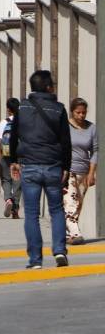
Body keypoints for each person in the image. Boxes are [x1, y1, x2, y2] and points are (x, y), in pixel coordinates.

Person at [10, 70, 72, 269]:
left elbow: (13, 136)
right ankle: (60, 251)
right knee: (56, 210)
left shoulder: (22, 108)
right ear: (48, 87)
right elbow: (66, 141)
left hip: (29, 167)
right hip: (53, 166)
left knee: (31, 214)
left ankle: (35, 260)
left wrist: (13, 160)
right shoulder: (59, 109)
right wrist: (66, 167)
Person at [65, 97, 98, 245]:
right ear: (72, 112)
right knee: (70, 203)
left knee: (78, 205)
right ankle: (76, 233)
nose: (81, 116)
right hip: (68, 171)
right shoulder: (65, 126)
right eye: (78, 112)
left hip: (84, 172)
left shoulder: (91, 128)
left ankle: (68, 235)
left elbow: (95, 151)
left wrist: (91, 173)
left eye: (84, 113)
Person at [0, 97, 21, 219]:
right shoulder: (23, 122)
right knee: (17, 181)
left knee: (6, 179)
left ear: (8, 109)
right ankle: (15, 209)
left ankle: (8, 199)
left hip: (6, 155)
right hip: (19, 156)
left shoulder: (4, 122)